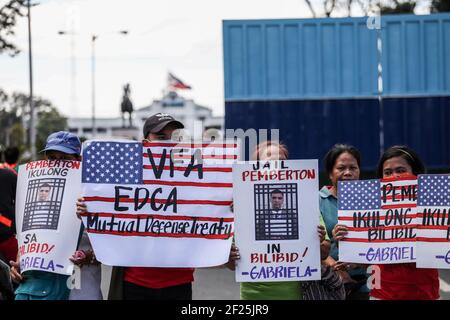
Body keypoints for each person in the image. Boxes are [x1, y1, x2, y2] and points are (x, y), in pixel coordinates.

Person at [77, 113, 194, 300]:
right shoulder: (128, 174)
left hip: (179, 281)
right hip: (137, 282)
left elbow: (204, 213)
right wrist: (87, 211)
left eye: (174, 138)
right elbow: (107, 210)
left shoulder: (193, 176)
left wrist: (225, 207)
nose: (168, 143)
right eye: (161, 137)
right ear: (145, 141)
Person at [227, 141, 331, 300]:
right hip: (254, 296)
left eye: (281, 162)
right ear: (255, 168)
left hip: (297, 293)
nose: (275, 167)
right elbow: (231, 264)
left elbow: (324, 253)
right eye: (269, 163)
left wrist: (319, 242)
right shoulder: (241, 208)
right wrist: (229, 255)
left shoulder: (306, 204)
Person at [334, 145, 440, 300]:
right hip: (381, 293)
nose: (394, 176)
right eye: (388, 172)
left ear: (416, 173)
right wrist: (347, 243)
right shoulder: (370, 209)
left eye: (401, 170)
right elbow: (367, 259)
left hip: (424, 293)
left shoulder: (433, 206)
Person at [9, 131, 83, 300]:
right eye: (52, 157)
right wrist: (20, 264)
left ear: (78, 161)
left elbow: (108, 250)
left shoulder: (89, 196)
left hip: (74, 286)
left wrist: (88, 257)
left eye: (64, 158)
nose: (57, 163)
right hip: (31, 288)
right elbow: (27, 239)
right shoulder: (33, 194)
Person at [320, 144, 369, 299]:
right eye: (341, 168)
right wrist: (336, 269)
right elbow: (312, 245)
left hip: (365, 283)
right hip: (328, 284)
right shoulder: (316, 200)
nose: (348, 173)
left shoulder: (371, 200)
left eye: (353, 168)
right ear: (330, 173)